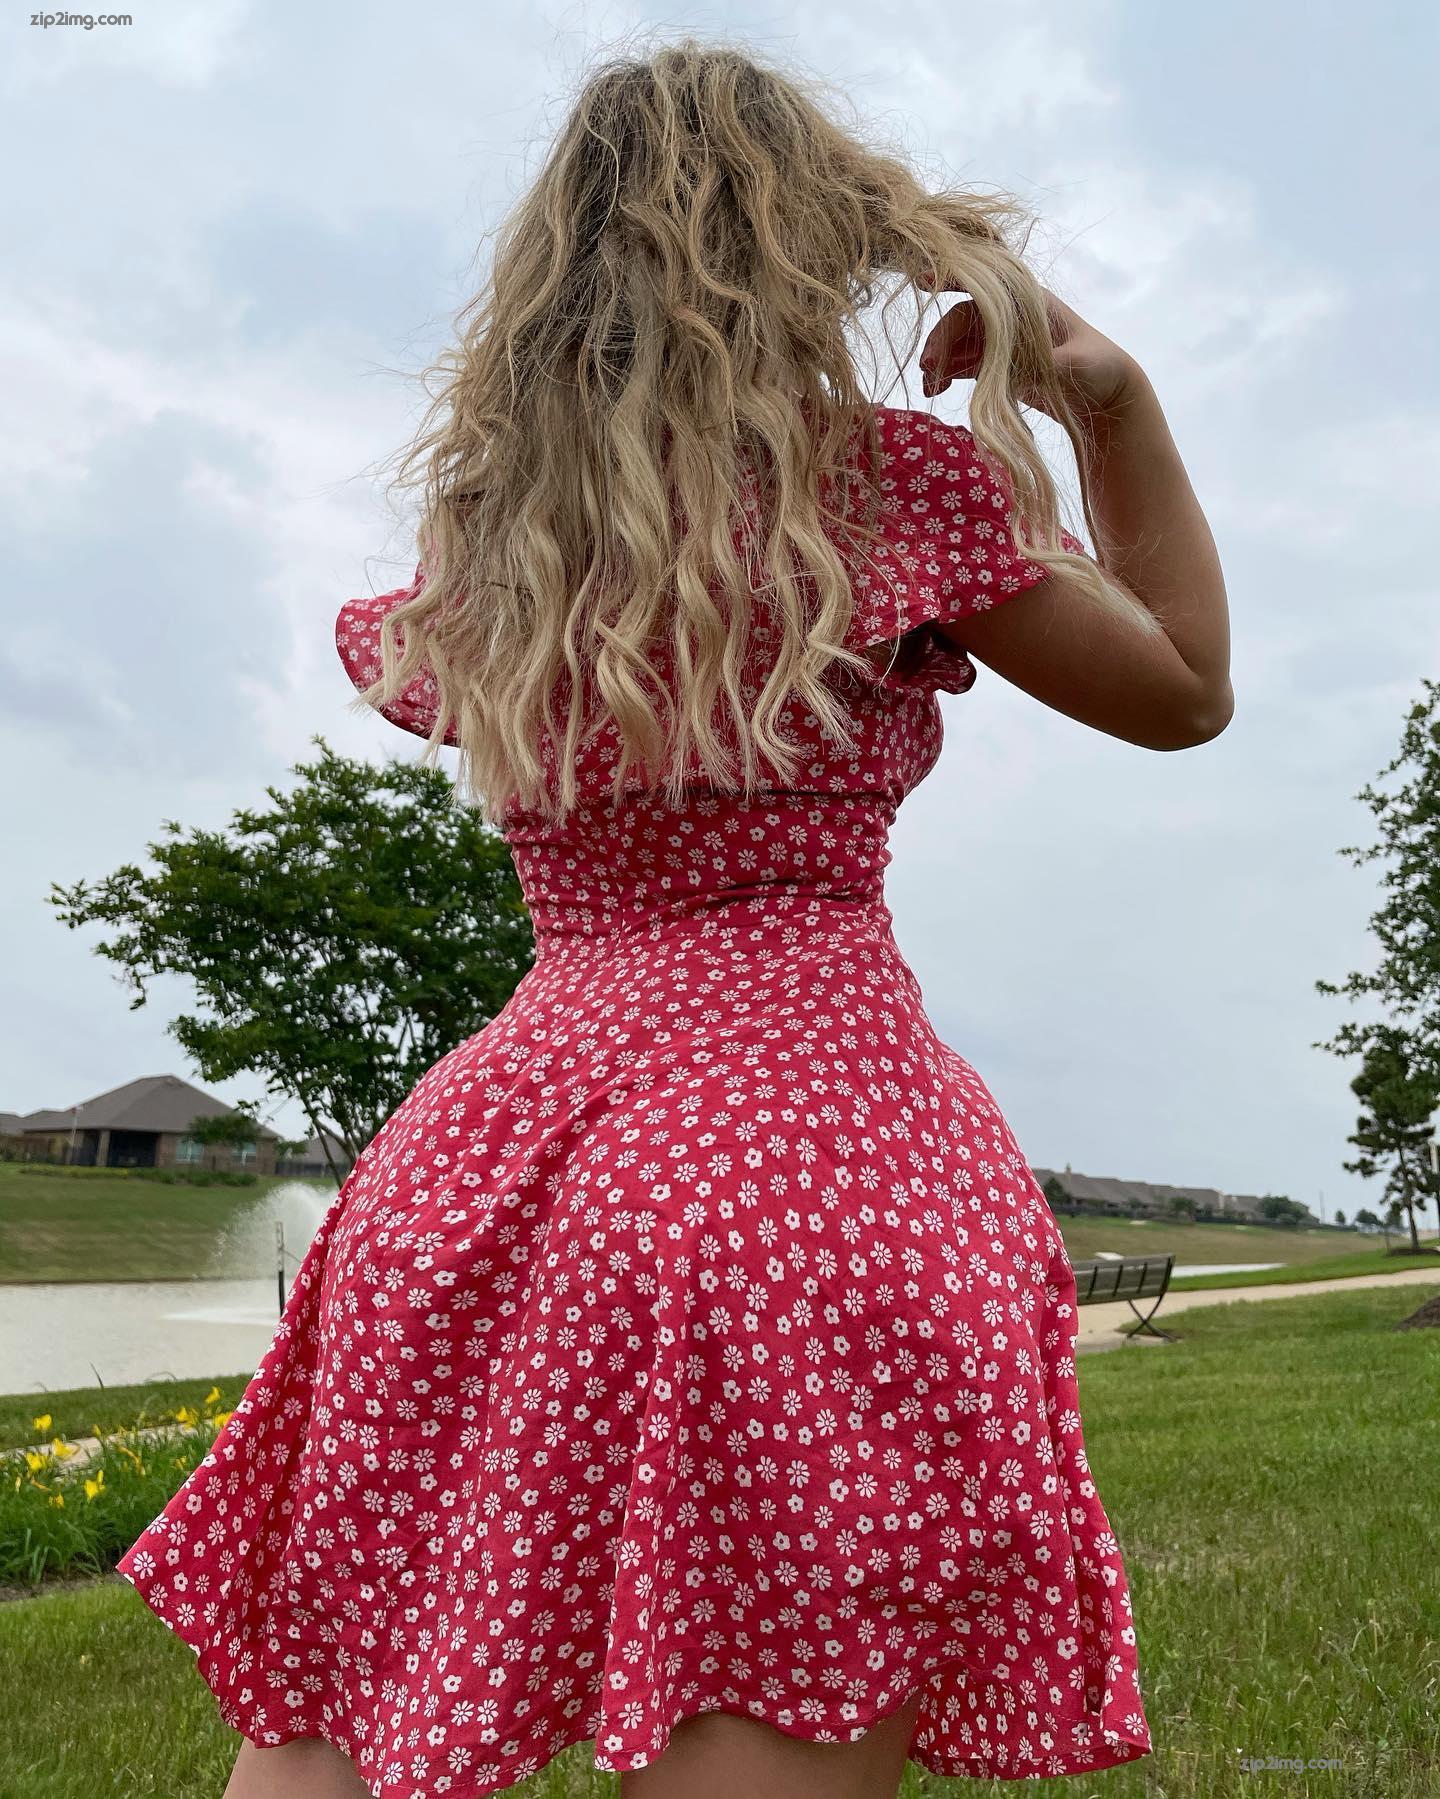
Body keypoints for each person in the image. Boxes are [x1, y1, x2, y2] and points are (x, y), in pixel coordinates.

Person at [115, 36, 1230, 1799]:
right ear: (815, 249)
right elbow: (1183, 688)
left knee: (347, 1694)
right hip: (806, 1160)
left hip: (491, 1164)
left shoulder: (500, 543)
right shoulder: (877, 489)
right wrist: (1110, 402)